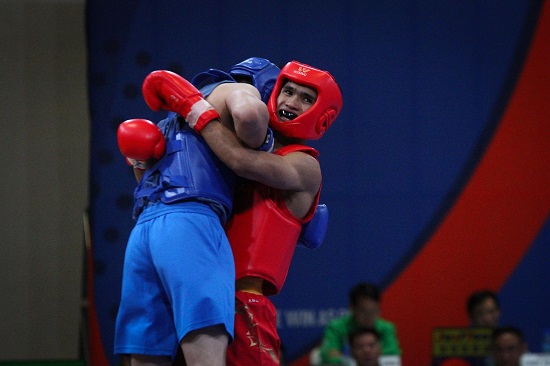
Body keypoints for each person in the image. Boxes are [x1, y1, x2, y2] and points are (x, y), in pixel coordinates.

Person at [132, 58, 342, 365]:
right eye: (288, 91)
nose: (291, 102)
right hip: (195, 288)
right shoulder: (227, 148)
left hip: (242, 302)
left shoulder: (305, 165)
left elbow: (240, 161)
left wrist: (194, 108)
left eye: (306, 98)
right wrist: (142, 160)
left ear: (322, 117)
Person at [113, 59, 278, 365]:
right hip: (189, 224)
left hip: (144, 232)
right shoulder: (236, 91)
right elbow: (249, 113)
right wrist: (263, 142)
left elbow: (146, 175)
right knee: (205, 349)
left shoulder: (170, 120)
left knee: (146, 356)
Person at [320, 282, 401, 364]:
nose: (369, 316)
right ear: (352, 308)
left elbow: (392, 354)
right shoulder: (336, 328)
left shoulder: (386, 328)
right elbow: (329, 354)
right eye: (364, 312)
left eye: (374, 311)